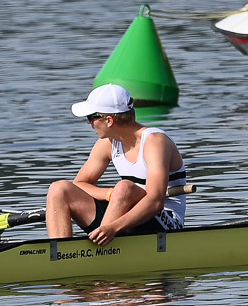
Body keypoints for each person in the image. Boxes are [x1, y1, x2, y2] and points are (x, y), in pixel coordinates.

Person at [46, 84, 188, 244]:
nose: (88, 123)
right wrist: (109, 195)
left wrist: (113, 227)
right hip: (125, 216)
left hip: (166, 222)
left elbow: (155, 202)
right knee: (59, 189)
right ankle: (60, 253)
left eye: (91, 117)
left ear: (108, 120)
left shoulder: (155, 142)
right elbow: (79, 184)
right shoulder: (107, 143)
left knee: (124, 187)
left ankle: (98, 250)